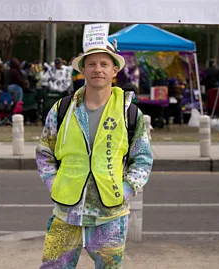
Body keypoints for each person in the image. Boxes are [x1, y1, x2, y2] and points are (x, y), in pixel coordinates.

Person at [36, 30, 153, 268]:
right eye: (91, 64)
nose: (97, 69)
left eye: (103, 64)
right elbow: (44, 152)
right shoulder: (63, 109)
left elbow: (142, 158)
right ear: (83, 70)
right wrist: (53, 182)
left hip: (110, 215)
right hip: (65, 213)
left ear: (114, 71)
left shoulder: (129, 113)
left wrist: (126, 188)